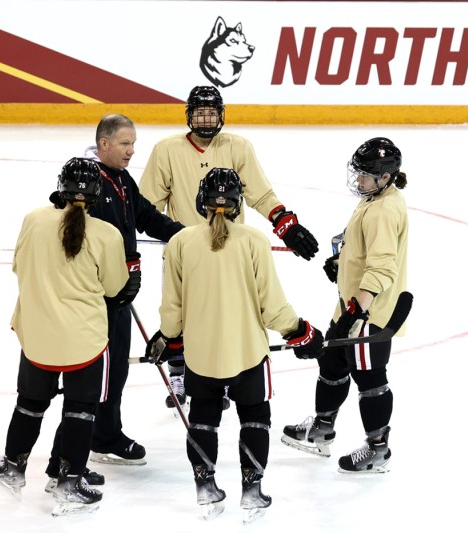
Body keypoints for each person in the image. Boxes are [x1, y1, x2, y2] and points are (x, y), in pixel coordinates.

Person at [144, 167, 324, 521]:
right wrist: (300, 331)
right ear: (239, 202)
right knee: (255, 416)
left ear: (201, 202)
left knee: (203, 417)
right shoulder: (254, 240)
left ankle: (205, 487)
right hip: (247, 354)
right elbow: (272, 306)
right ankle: (253, 491)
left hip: (201, 355)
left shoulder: (180, 242)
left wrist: (168, 337)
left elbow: (172, 309)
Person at [138, 85, 319, 411]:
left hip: (230, 250)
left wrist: (286, 226)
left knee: (225, 314)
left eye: (211, 113)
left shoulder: (238, 146)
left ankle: (218, 374)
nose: (206, 119)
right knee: (181, 314)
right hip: (184, 252)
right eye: (200, 112)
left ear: (222, 115)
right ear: (189, 116)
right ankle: (180, 374)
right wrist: (175, 233)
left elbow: (261, 195)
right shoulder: (166, 150)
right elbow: (147, 205)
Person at [0, 158, 129, 516]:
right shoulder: (107, 234)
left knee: (29, 404)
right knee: (80, 412)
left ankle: (14, 466)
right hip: (84, 340)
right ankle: (69, 480)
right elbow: (114, 287)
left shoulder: (34, 220)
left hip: (37, 336)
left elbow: (19, 266)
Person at [46, 114, 185, 472]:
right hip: (93, 297)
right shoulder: (85, 181)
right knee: (93, 376)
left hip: (120, 293)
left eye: (133, 144)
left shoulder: (122, 179)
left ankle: (104, 435)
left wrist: (184, 235)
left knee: (115, 369)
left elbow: (146, 217)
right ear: (103, 144)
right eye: (125, 144)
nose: (131, 151)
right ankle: (70, 451)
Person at [281, 137, 409, 473]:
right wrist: (342, 263)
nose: (359, 179)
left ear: (384, 177)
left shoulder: (383, 209)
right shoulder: (374, 198)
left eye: (366, 174)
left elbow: (383, 266)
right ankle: (323, 429)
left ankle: (378, 448)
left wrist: (359, 309)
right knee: (332, 364)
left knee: (370, 380)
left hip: (369, 314)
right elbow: (363, 247)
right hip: (351, 307)